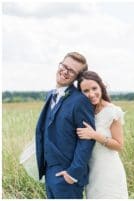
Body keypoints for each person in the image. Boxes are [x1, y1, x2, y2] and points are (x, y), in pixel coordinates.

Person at [35, 52, 95, 198]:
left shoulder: (80, 101)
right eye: (64, 66)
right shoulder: (51, 94)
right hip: (49, 172)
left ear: (77, 77)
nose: (65, 71)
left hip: (67, 177)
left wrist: (73, 174)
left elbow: (87, 138)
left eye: (72, 71)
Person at [76, 71, 128, 198]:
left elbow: (119, 145)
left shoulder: (112, 111)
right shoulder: (85, 112)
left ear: (101, 87)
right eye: (86, 91)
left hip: (109, 171)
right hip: (92, 172)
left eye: (94, 88)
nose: (91, 94)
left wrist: (94, 135)